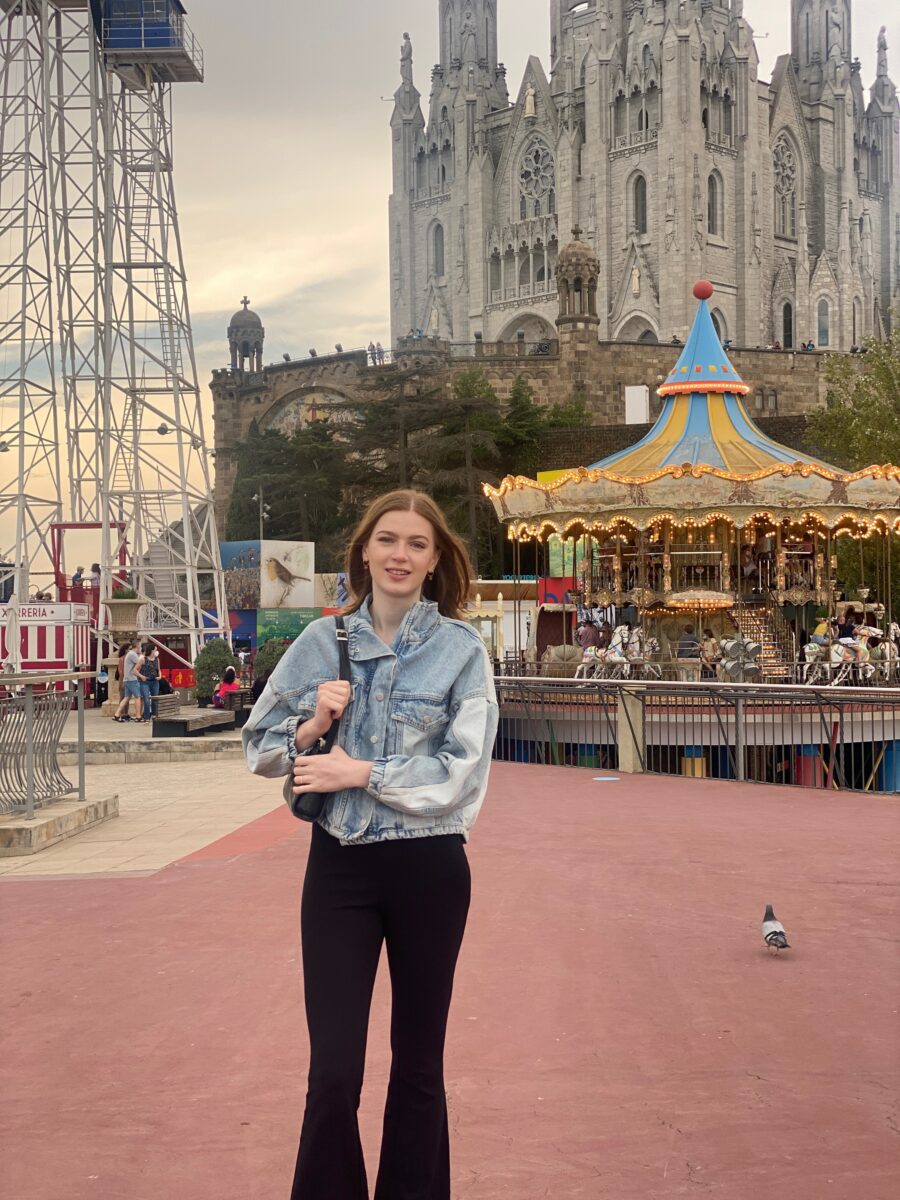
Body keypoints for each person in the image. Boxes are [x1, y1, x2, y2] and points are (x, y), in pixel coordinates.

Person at [243, 489, 498, 1200]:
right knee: (332, 1074)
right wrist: (309, 726)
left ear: (435, 559)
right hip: (341, 872)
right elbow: (258, 746)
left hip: (430, 868)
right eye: (388, 539)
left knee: (419, 1067)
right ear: (363, 550)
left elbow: (462, 772)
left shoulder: (460, 650)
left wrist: (362, 771)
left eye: (417, 544)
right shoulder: (323, 642)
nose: (400, 554)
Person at [114, 638, 146, 722]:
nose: (141, 648)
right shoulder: (133, 654)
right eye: (141, 646)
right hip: (132, 679)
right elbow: (141, 663)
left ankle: (117, 714)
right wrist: (142, 656)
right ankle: (138, 716)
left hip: (127, 679)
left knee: (126, 697)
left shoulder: (130, 654)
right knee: (137, 697)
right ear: (138, 646)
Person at [141, 644, 161, 718]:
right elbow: (135, 670)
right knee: (146, 700)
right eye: (155, 650)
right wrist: (141, 676)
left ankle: (154, 715)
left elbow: (158, 669)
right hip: (145, 682)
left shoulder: (157, 659)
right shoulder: (143, 659)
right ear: (152, 650)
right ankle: (146, 717)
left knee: (155, 699)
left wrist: (160, 676)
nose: (156, 651)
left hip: (155, 681)